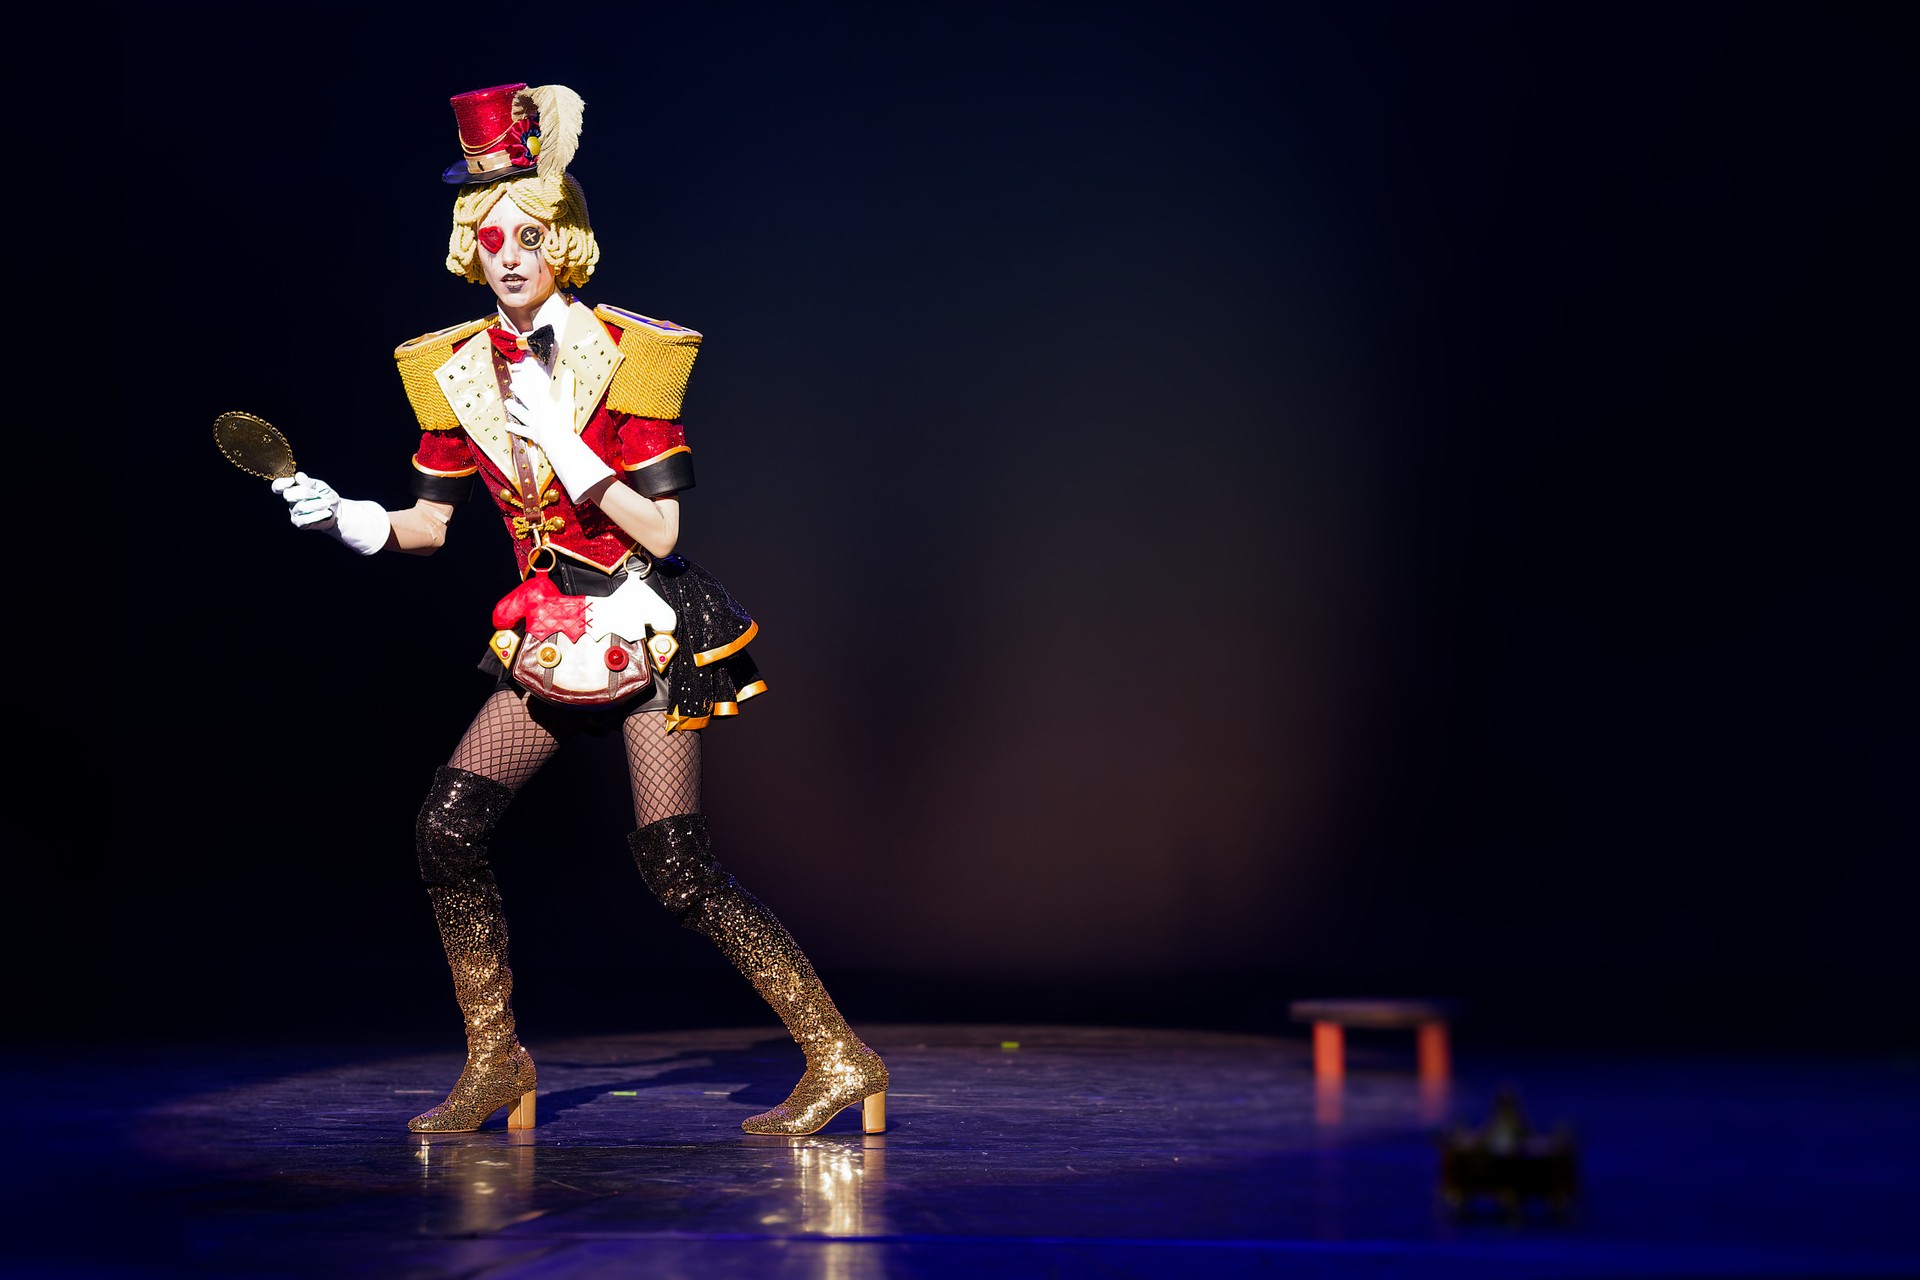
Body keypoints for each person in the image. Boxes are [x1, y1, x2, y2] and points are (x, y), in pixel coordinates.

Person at [271, 82, 888, 1137]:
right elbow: (430, 526)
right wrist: (349, 518)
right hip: (550, 629)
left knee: (675, 869)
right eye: (491, 237)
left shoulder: (631, 354)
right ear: (469, 250)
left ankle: (841, 1054)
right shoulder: (452, 369)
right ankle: (496, 1060)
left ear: (564, 240)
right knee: (446, 827)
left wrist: (563, 439)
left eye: (530, 233)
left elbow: (662, 534)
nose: (510, 255)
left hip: (647, 621)